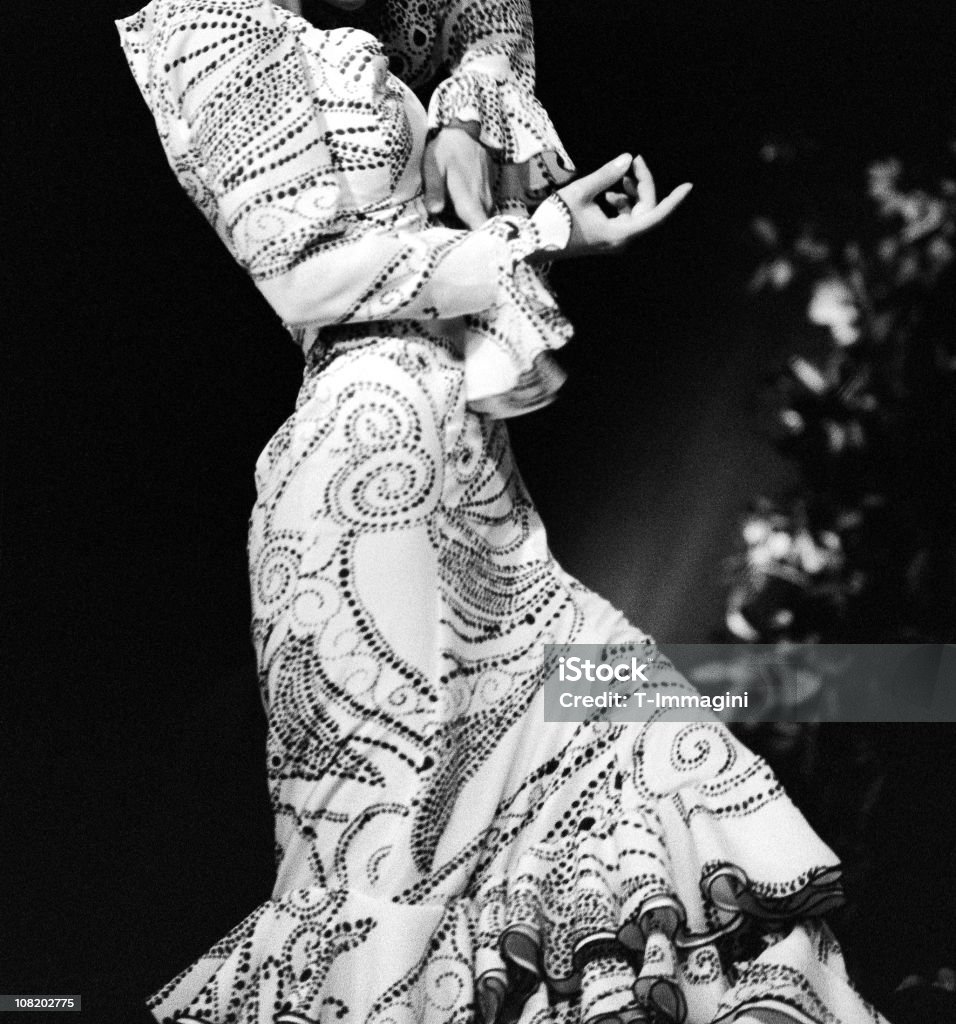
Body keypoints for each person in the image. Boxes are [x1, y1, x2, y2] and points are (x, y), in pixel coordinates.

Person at [116, 1, 889, 1021]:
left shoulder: (390, 55)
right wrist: (542, 229)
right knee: (386, 880)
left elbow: (491, 39)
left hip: (472, 472)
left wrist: (548, 222)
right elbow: (305, 281)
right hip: (362, 468)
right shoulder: (213, 29)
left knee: (634, 748)